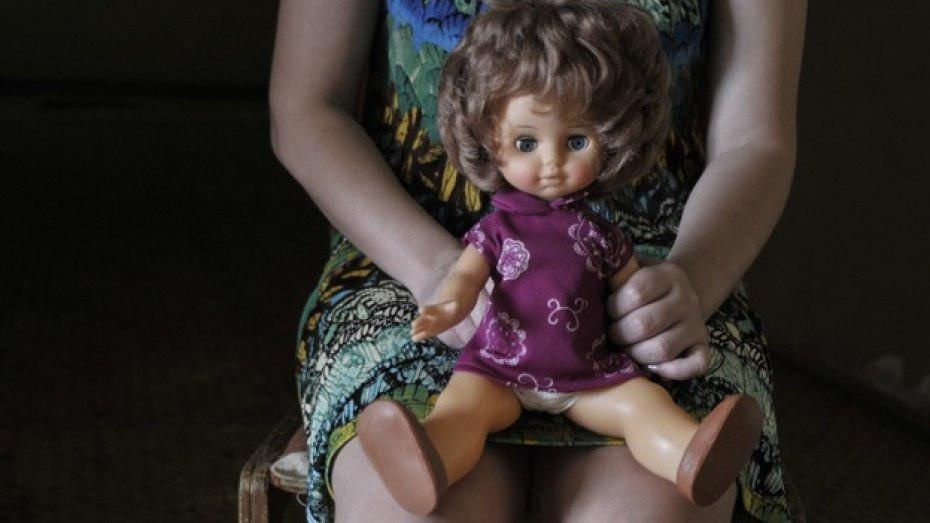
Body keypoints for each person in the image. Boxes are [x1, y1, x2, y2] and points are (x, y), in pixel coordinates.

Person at [269, 0, 806, 521]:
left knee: (650, 509)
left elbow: (754, 138)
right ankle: (431, 451)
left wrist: (690, 278)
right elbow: (307, 108)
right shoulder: (479, 242)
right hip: (402, 255)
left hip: (668, 273)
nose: (550, 163)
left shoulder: (612, 247)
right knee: (411, 508)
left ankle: (686, 450)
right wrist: (437, 275)